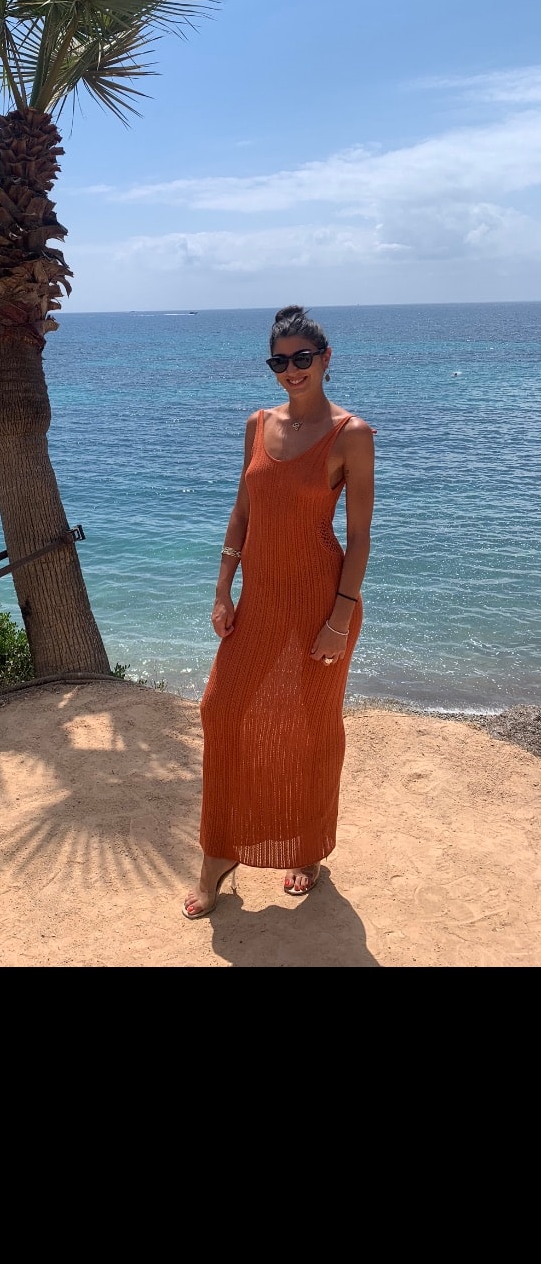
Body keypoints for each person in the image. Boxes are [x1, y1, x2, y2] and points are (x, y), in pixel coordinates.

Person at [182, 304, 375, 918]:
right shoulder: (257, 423)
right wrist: (222, 588)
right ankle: (220, 854)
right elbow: (242, 511)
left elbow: (361, 537)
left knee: (310, 729)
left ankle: (306, 849)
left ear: (325, 359)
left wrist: (340, 617)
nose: (291, 371)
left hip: (321, 599)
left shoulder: (352, 435)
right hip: (259, 599)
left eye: (302, 358)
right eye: (280, 361)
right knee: (222, 711)